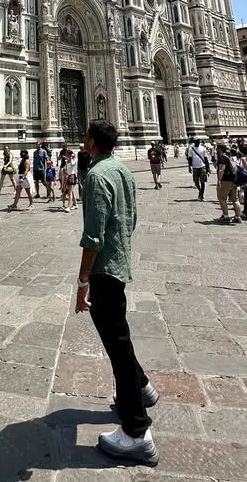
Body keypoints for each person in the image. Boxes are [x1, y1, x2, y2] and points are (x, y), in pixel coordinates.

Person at [75, 120, 159, 466]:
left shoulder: (96, 176)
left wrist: (82, 282)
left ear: (92, 142)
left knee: (115, 342)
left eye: (86, 137)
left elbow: (92, 236)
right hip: (120, 260)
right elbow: (133, 217)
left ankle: (137, 431)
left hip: (104, 270)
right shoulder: (124, 170)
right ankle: (143, 387)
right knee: (119, 334)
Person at [216, 144, 242, 224]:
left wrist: (219, 180)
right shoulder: (229, 157)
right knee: (235, 199)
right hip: (233, 180)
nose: (216, 150)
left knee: (222, 199)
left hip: (225, 180)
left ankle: (226, 216)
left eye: (217, 148)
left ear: (220, 149)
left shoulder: (222, 158)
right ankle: (238, 217)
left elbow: (221, 169)